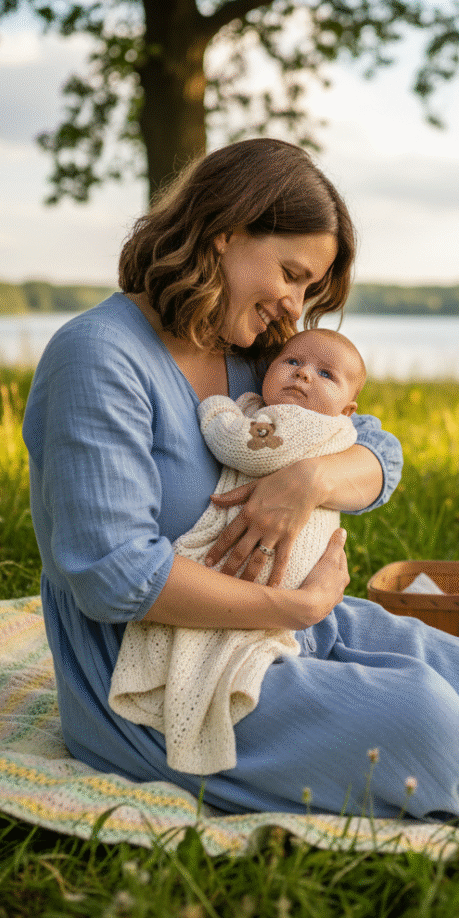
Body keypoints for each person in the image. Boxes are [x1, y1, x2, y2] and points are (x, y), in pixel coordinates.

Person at [22, 137, 459, 821]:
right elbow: (114, 576)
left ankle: (403, 713)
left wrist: (308, 481)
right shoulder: (98, 357)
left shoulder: (248, 350)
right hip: (159, 672)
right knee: (427, 727)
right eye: (291, 274)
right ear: (225, 232)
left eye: (308, 289)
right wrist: (294, 608)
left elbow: (378, 453)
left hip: (290, 628)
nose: (293, 306)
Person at [108, 328, 369, 776]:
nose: (304, 375)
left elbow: (249, 449)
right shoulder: (287, 416)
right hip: (286, 595)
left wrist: (216, 408)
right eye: (292, 362)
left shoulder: (310, 424)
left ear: (347, 410)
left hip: (276, 575)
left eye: (325, 374)